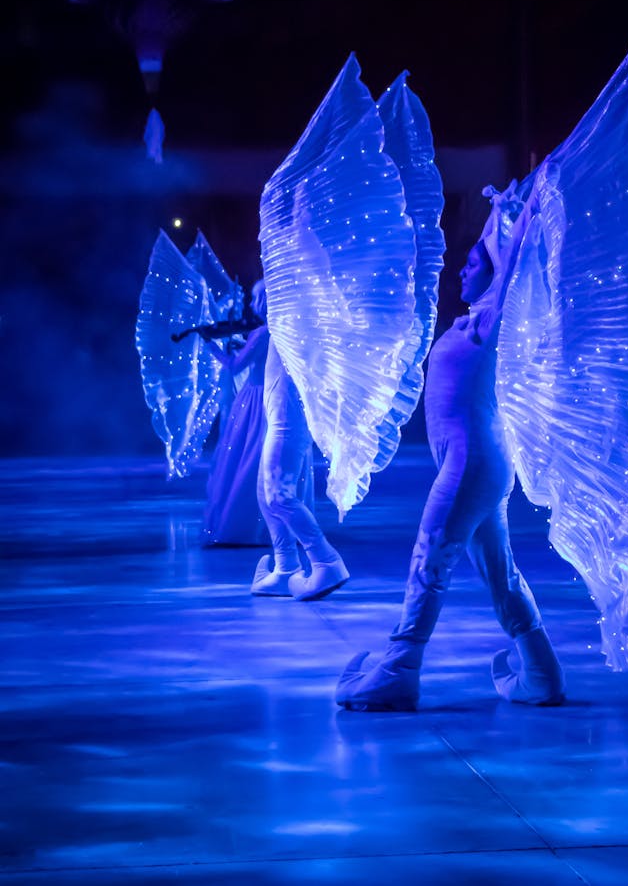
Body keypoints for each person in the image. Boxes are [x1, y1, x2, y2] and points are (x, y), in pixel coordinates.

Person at [335, 188, 564, 710]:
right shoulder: (476, 319)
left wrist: (527, 209)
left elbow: (515, 257)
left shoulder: (493, 319)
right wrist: (497, 212)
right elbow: (497, 248)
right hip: (476, 462)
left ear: (496, 272)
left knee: (430, 556)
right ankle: (542, 673)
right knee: (497, 571)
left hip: (472, 463)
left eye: (474, 264)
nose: (462, 271)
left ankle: (399, 670)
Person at [251, 335, 350, 600]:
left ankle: (326, 562)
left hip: (287, 424)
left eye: (262, 293)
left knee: (279, 497)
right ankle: (286, 568)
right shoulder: (281, 323)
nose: (255, 301)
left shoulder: (293, 317)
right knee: (266, 494)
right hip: (280, 422)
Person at [202, 280, 271, 546]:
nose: (252, 306)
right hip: (269, 396)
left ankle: (240, 525)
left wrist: (213, 347)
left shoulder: (262, 333)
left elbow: (234, 367)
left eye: (256, 300)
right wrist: (243, 346)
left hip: (254, 399)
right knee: (259, 459)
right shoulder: (274, 331)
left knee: (245, 458)